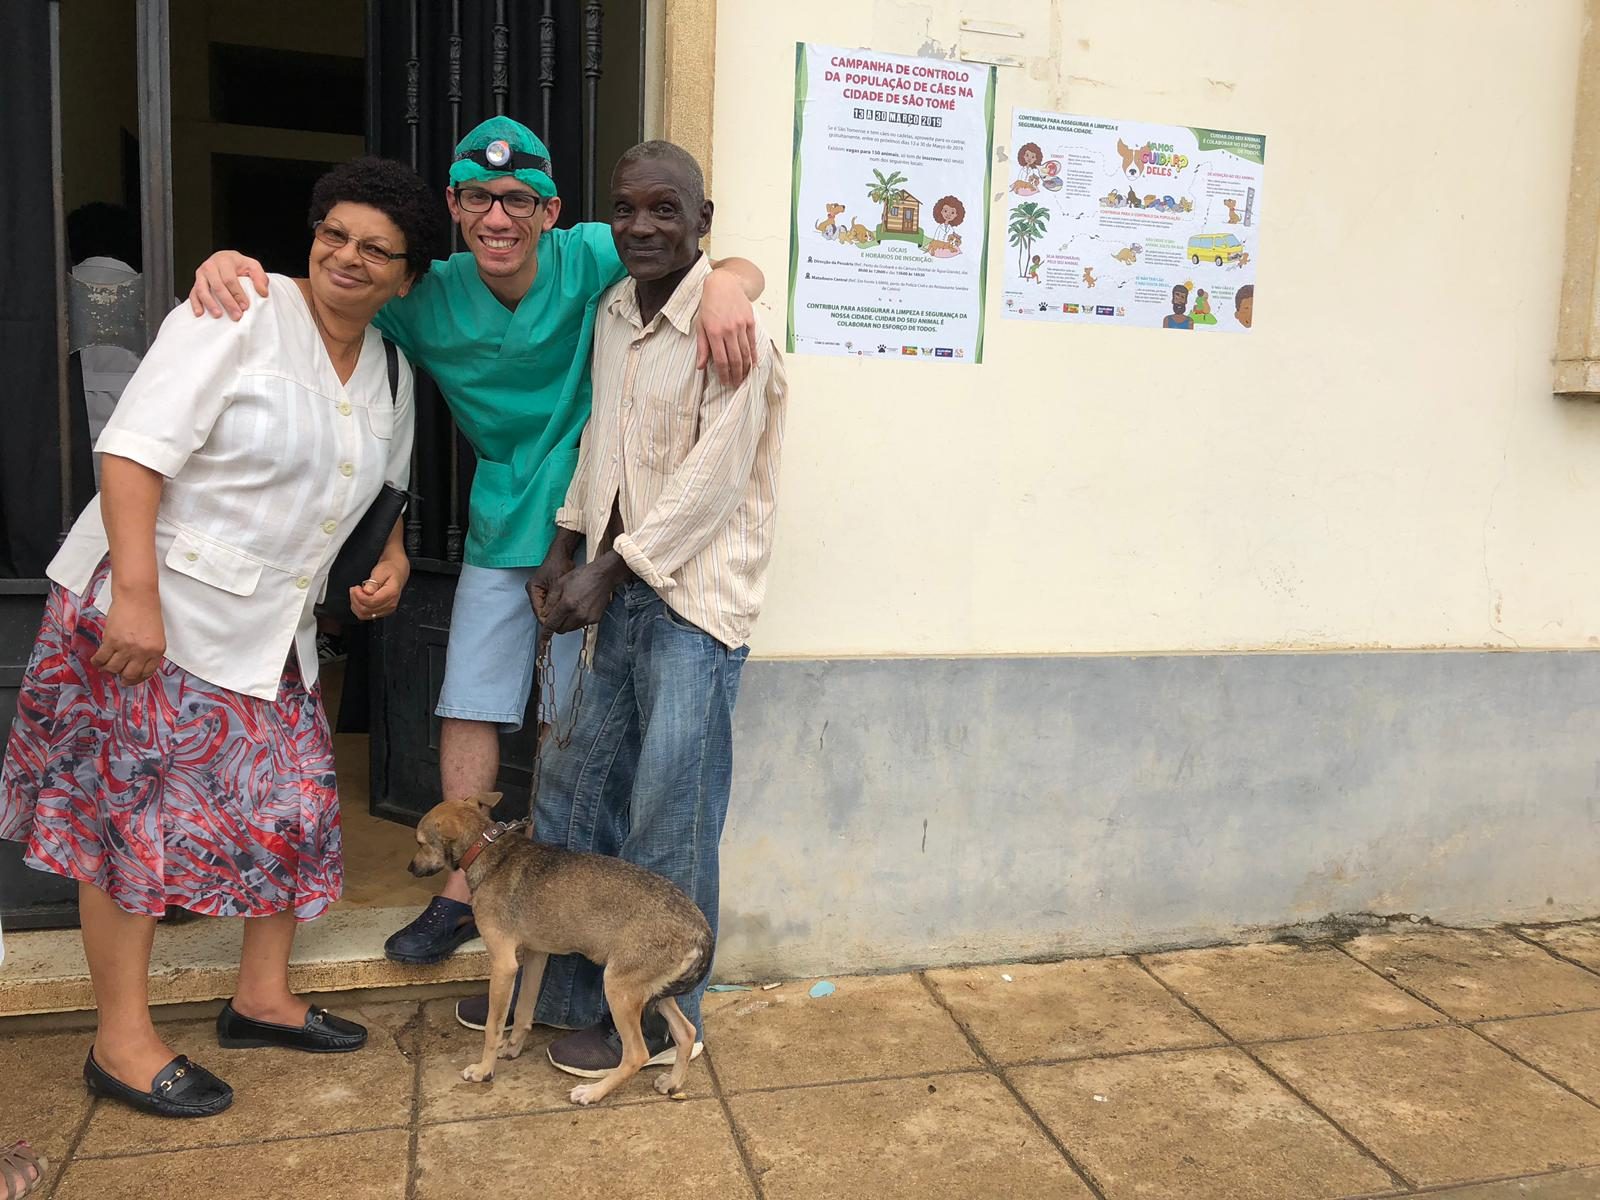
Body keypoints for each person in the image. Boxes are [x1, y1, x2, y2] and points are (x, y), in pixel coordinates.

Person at [187, 117, 767, 972]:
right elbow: (330, 290)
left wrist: (732, 287)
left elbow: (705, 256)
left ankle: (569, 914)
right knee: (471, 698)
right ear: (454, 207)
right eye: (478, 198)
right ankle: (463, 890)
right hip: (504, 516)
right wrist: (233, 268)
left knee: (579, 727)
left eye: (518, 199)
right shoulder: (427, 292)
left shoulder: (595, 255)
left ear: (552, 209)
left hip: (601, 524)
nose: (499, 218)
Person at [0, 156, 445, 1118]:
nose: (348, 258)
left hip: (265, 631)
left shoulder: (391, 372)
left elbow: (383, 505)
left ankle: (262, 997)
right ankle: (120, 1043)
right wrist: (136, 595)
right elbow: (132, 449)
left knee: (294, 814)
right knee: (129, 829)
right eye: (335, 234)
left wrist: (393, 565)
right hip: (147, 617)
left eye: (378, 250)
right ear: (312, 236)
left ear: (408, 277)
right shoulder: (238, 308)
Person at [518, 140, 787, 1077]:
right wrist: (566, 540)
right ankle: (560, 994)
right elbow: (606, 442)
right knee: (575, 793)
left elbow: (711, 485)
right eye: (626, 208)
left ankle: (674, 1017)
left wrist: (612, 569)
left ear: (702, 223)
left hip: (691, 611)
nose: (641, 226)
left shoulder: (732, 329)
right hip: (613, 590)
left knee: (666, 818)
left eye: (665, 209)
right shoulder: (614, 312)